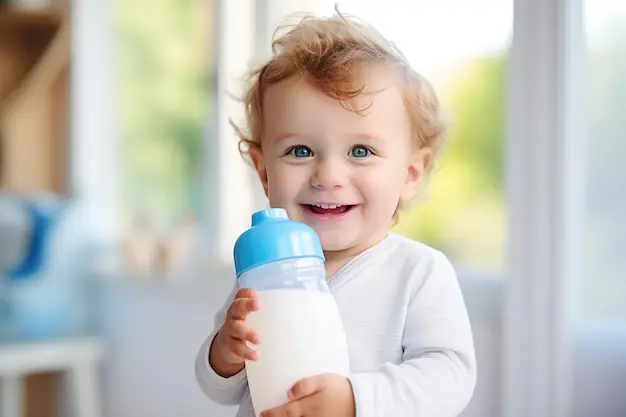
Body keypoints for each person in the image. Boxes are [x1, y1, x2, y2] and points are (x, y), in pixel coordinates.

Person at [195, 8, 476, 417]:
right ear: (264, 172)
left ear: (410, 173)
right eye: (300, 151)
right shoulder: (264, 275)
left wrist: (354, 400)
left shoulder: (417, 272)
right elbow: (218, 389)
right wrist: (226, 352)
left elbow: (450, 377)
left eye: (360, 151)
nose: (327, 175)